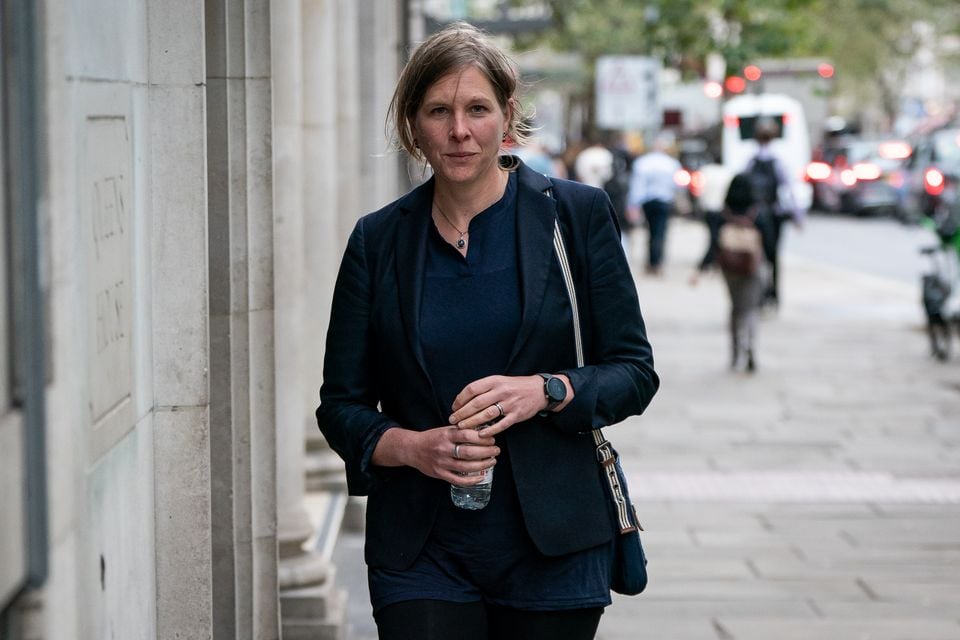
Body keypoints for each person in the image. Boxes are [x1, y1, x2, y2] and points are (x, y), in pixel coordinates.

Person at [315, 22, 659, 640]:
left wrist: (547, 390)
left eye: (477, 109)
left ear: (507, 116)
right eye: (438, 111)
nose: (459, 131)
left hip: (553, 544)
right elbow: (340, 406)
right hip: (422, 549)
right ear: (412, 125)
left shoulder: (575, 216)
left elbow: (634, 373)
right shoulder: (379, 240)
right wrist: (412, 448)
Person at [746, 119, 804, 309]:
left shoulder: (750, 161)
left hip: (754, 216)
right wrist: (797, 216)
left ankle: (758, 294)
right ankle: (773, 294)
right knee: (773, 257)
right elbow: (789, 190)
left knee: (756, 256)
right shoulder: (778, 162)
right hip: (773, 215)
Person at [717, 172, 769, 372]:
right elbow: (769, 241)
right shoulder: (757, 212)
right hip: (753, 265)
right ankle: (750, 347)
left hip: (730, 267)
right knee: (750, 309)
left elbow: (715, 241)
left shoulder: (724, 213)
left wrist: (703, 266)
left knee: (735, 308)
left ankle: (735, 351)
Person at [626, 134, 682, 275]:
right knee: (661, 231)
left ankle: (652, 261)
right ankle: (657, 261)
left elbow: (637, 185)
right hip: (664, 200)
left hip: (648, 201)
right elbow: (678, 184)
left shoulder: (643, 163)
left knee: (651, 231)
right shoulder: (671, 163)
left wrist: (633, 204)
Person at [689, 157, 734, 283]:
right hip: (721, 209)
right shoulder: (727, 172)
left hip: (709, 209)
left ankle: (710, 262)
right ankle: (709, 263)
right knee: (716, 238)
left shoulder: (705, 171)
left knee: (714, 237)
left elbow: (698, 189)